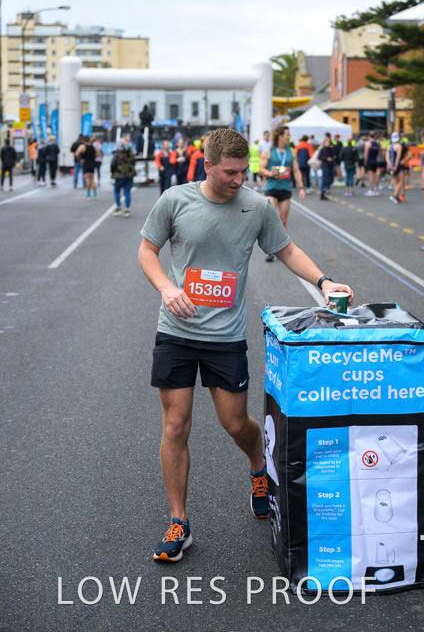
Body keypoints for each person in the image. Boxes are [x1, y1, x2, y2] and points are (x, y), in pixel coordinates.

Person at [138, 128, 353, 562]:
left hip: (226, 336)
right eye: (230, 173)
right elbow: (147, 250)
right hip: (177, 331)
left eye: (244, 172)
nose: (239, 180)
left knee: (236, 425)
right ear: (208, 166)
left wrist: (324, 281)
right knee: (175, 426)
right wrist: (166, 287)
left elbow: (287, 250)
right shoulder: (175, 200)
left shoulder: (257, 207)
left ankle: (258, 468)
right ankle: (179, 521)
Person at [259, 124, 306, 256]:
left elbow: (296, 171)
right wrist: (270, 173)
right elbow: (261, 169)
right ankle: (270, 250)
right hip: (271, 188)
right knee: (271, 220)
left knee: (283, 220)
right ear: (280, 136)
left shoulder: (291, 152)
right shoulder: (268, 152)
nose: (289, 137)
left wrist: (301, 187)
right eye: (287, 135)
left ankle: (282, 249)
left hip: (285, 189)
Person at [111, 137, 136, 215]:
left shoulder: (117, 153)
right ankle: (127, 209)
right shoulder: (130, 152)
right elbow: (133, 162)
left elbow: (113, 164)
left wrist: (113, 172)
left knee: (116, 191)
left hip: (119, 174)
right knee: (127, 192)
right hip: (129, 174)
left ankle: (118, 207)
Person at [388, 132, 409, 203]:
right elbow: (398, 157)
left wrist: (390, 165)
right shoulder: (399, 146)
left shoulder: (389, 146)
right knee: (401, 181)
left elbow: (387, 157)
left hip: (391, 166)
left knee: (395, 181)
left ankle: (396, 196)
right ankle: (395, 195)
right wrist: (395, 166)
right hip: (397, 166)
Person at [316, 134, 335, 201]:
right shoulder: (323, 149)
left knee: (329, 178)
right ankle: (322, 192)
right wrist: (326, 159)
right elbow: (319, 157)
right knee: (324, 179)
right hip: (325, 165)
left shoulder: (331, 149)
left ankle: (326, 189)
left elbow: (335, 154)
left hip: (330, 165)